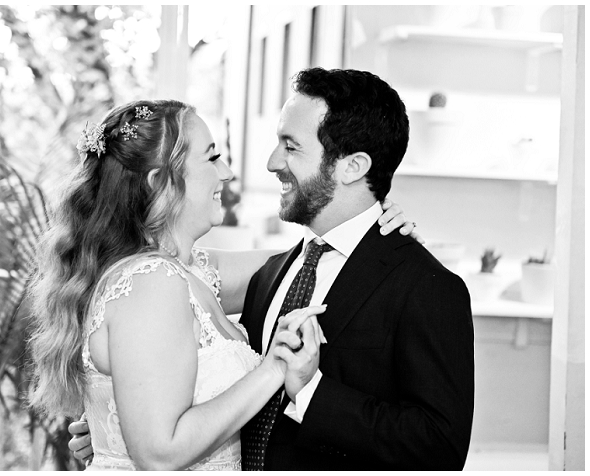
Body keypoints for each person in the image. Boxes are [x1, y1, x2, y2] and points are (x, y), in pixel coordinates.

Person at [69, 68, 475, 470]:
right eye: (212, 157)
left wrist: (311, 393)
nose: (269, 162)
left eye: (291, 146)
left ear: (353, 166)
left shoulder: (425, 286)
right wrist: (122, 421)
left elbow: (440, 447)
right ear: (160, 183)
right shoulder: (257, 278)